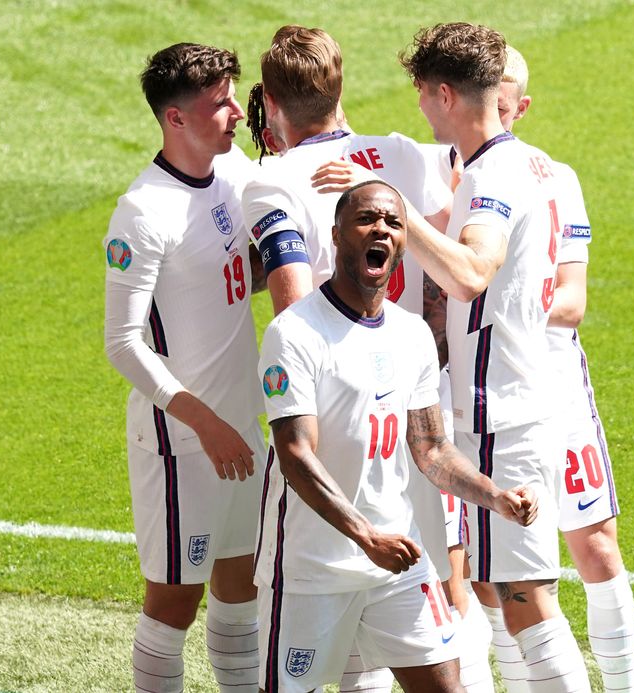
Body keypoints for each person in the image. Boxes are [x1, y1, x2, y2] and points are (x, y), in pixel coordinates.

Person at [317, 22, 594, 692]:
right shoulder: (491, 165)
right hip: (504, 406)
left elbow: (471, 272)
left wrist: (392, 210)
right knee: (510, 590)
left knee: (526, 598)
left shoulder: (493, 174)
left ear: (444, 94)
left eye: (420, 94)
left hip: (506, 414)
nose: (417, 108)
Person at [242, 25, 492, 691]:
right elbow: (460, 208)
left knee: (350, 613)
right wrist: (432, 340)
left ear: (266, 102)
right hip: (417, 408)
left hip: (340, 422)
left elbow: (295, 302)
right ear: (342, 88)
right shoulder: (409, 156)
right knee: (435, 613)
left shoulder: (272, 182)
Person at [255, 180, 539, 692]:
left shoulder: (411, 336)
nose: (380, 229)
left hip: (398, 561)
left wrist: (492, 495)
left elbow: (430, 450)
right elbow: (296, 455)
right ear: (338, 233)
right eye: (366, 219)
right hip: (312, 568)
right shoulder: (294, 334)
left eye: (393, 222)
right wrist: (367, 537)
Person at [103, 42, 266, 693]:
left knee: (241, 589)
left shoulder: (233, 173)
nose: (235, 112)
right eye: (218, 103)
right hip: (183, 444)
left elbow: (232, 279)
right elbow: (121, 342)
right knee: (175, 604)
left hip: (241, 429)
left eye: (233, 96)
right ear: (175, 119)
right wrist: (207, 423)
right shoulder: (143, 213)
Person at [477, 45, 634, 693]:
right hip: (486, 399)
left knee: (595, 546)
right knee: (497, 568)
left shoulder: (553, 177)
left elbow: (572, 301)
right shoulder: (447, 175)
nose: (498, 110)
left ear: (520, 103)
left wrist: (505, 300)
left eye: (507, 100)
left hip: (557, 394)